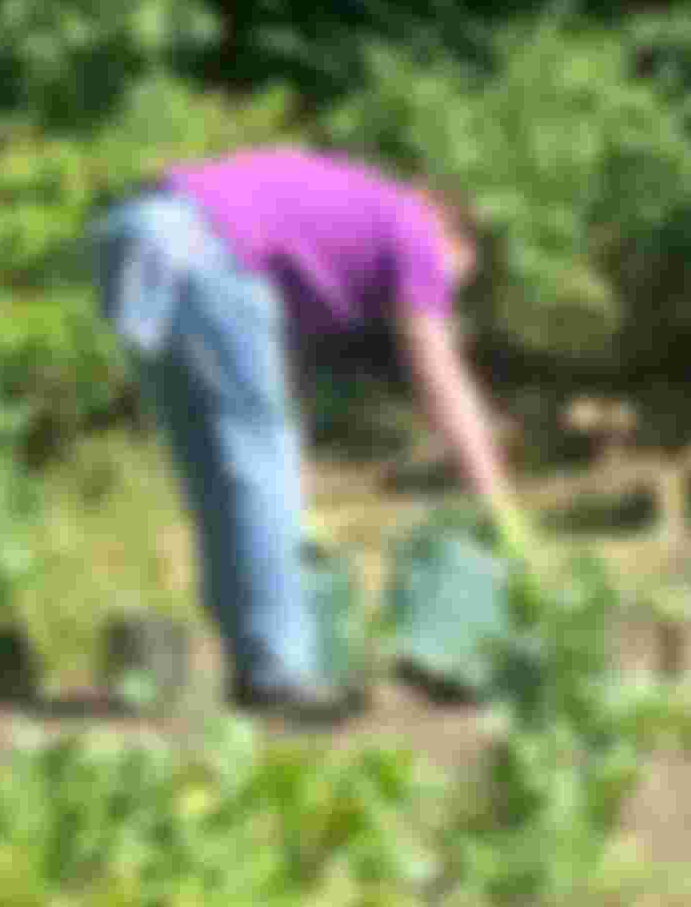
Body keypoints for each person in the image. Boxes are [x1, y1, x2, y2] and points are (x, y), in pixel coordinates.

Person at [89, 145, 528, 723]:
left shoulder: (352, 218)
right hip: (201, 249)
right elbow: (440, 376)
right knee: (253, 455)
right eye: (454, 279)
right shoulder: (414, 227)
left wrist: (293, 507)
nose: (442, 292)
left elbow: (276, 378)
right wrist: (498, 505)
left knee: (213, 463)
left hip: (132, 236)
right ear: (453, 234)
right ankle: (280, 674)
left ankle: (254, 662)